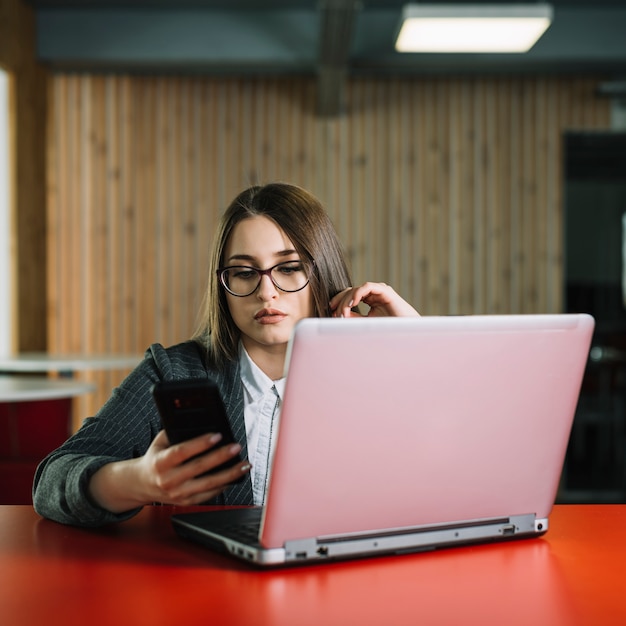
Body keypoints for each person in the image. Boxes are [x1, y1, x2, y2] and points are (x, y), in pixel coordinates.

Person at [33, 182, 419, 527]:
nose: (266, 292)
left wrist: (421, 348)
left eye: (288, 268)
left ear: (321, 272)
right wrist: (139, 481)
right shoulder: (175, 372)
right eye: (244, 272)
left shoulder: (377, 374)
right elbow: (52, 481)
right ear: (224, 284)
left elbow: (465, 472)